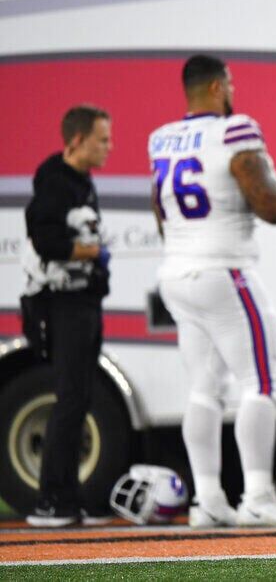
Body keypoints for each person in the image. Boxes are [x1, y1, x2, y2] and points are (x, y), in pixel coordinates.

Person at [150, 54, 276, 528]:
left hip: (177, 270)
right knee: (262, 382)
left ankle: (206, 501)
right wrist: (274, 180)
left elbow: (159, 208)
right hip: (224, 269)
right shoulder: (235, 130)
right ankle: (259, 495)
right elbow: (271, 205)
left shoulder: (161, 138)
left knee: (204, 388)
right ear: (219, 87)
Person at [23, 105, 113, 527]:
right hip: (63, 305)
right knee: (70, 398)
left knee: (82, 399)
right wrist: (92, 251)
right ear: (77, 140)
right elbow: (45, 241)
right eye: (102, 139)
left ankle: (69, 501)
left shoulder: (82, 182)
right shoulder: (56, 182)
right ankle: (49, 501)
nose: (109, 147)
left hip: (85, 301)